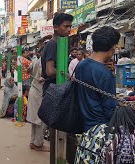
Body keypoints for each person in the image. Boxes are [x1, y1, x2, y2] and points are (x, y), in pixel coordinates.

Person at [41, 13, 73, 163]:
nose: (69, 30)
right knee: (58, 133)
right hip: (54, 91)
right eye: (65, 26)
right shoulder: (53, 44)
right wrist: (68, 76)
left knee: (58, 131)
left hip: (55, 89)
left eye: (70, 26)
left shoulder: (60, 43)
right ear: (55, 27)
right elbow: (49, 71)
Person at [75, 26, 120, 132]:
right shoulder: (105, 75)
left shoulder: (81, 65)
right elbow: (110, 110)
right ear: (112, 47)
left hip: (82, 124)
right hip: (99, 129)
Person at [26, 48, 49, 152]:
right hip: (40, 92)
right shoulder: (44, 63)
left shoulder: (36, 60)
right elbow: (43, 76)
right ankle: (38, 144)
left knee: (35, 119)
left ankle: (33, 141)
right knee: (41, 120)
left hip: (33, 90)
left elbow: (28, 70)